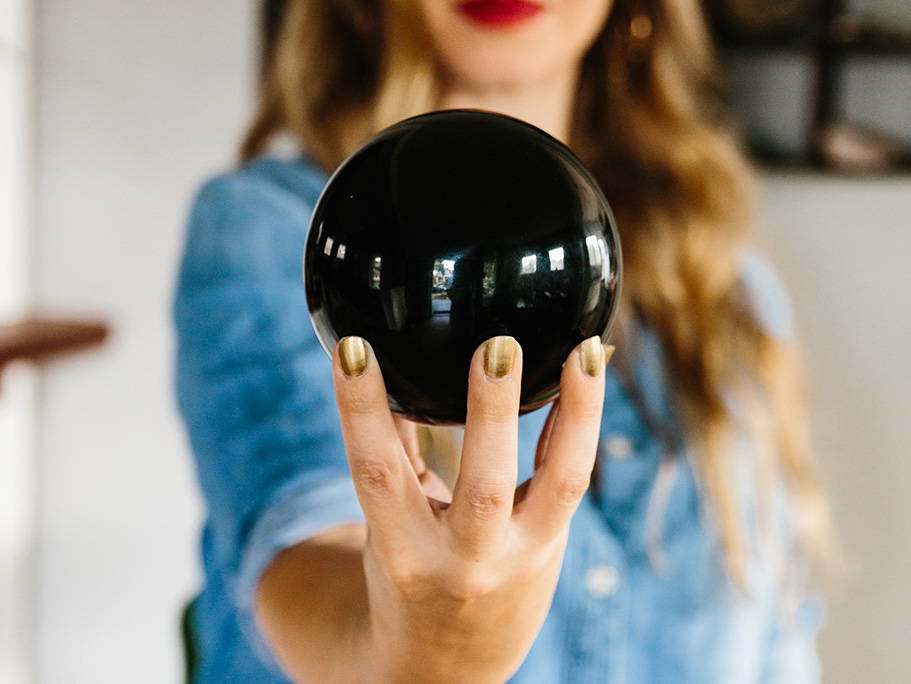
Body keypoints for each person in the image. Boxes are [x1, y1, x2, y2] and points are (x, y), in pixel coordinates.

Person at [173, 0, 834, 682]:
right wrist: (421, 650)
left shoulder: (723, 274)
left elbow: (773, 625)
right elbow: (300, 550)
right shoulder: (279, 232)